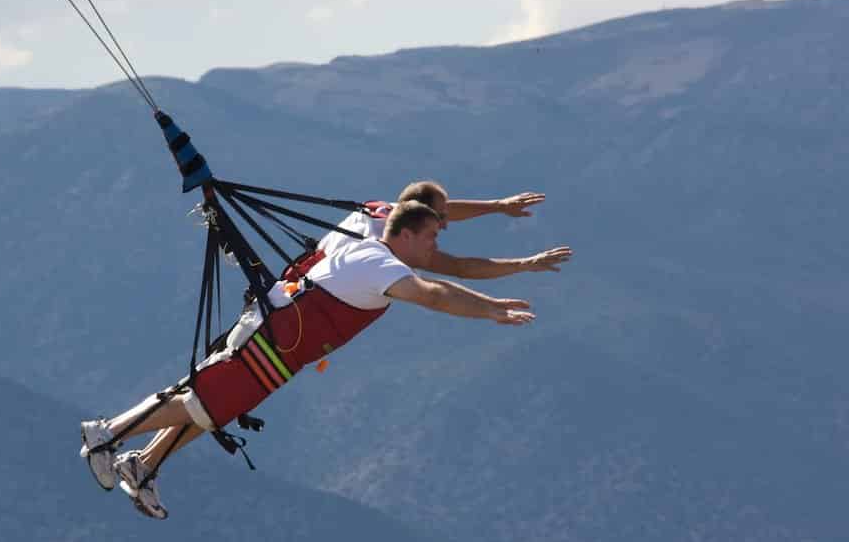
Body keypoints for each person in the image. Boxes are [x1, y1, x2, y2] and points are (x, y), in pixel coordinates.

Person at [80, 188, 571, 519]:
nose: (439, 240)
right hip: (280, 330)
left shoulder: (380, 218)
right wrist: (492, 307)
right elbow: (441, 287)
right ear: (409, 230)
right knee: (202, 395)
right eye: (434, 233)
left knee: (213, 406)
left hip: (290, 336)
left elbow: (435, 225)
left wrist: (497, 210)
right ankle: (109, 433)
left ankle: (143, 464)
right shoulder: (376, 260)